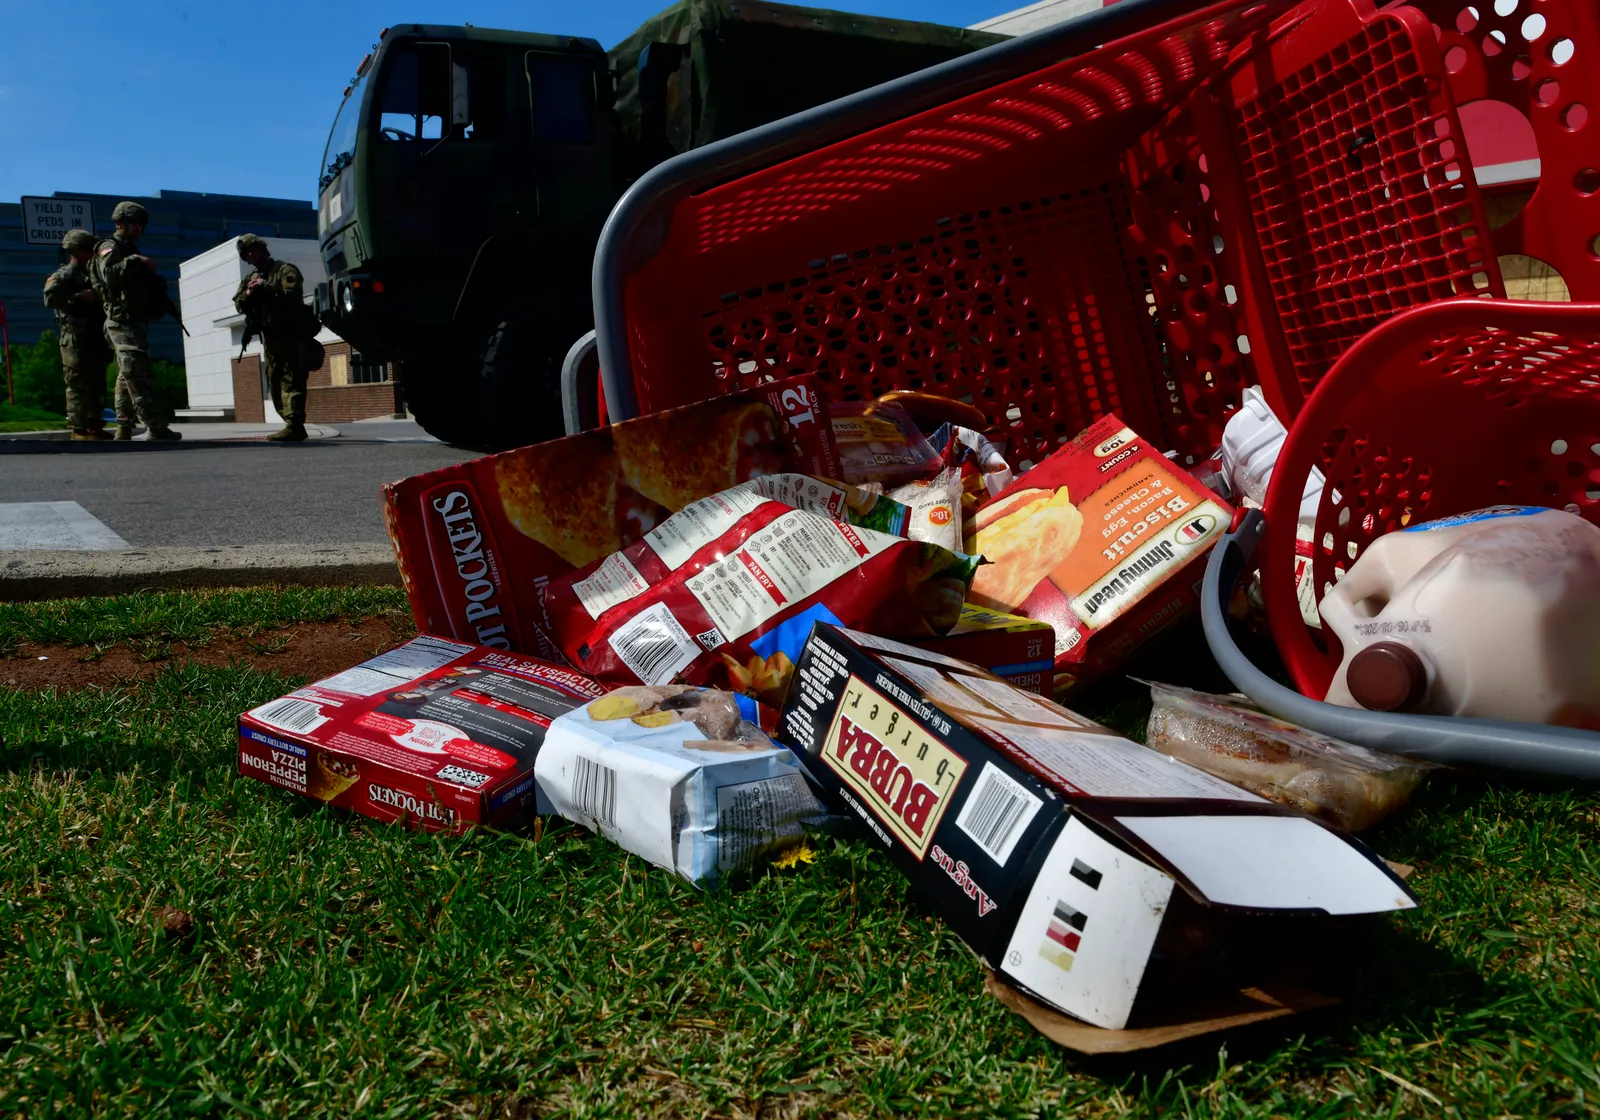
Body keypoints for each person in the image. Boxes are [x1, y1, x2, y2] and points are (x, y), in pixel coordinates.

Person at [90, 201, 182, 441]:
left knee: (126, 375)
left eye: (141, 224)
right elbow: (109, 276)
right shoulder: (109, 246)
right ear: (119, 223)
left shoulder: (129, 249)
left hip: (134, 321)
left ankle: (124, 427)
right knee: (137, 372)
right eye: (133, 222)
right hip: (122, 320)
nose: (138, 228)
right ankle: (155, 426)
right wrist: (137, 262)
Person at [234, 233, 316, 442]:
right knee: (274, 381)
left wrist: (267, 287)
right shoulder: (250, 279)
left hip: (290, 333)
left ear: (262, 248)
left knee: (292, 378)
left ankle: (295, 424)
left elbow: (292, 296)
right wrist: (250, 295)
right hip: (270, 338)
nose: (250, 255)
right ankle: (289, 421)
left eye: (253, 249)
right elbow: (239, 304)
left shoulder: (284, 270)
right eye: (246, 253)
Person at [42, 228, 113, 440]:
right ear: (77, 250)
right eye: (88, 249)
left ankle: (95, 425)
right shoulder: (63, 275)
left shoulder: (93, 274)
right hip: (74, 337)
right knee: (77, 383)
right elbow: (50, 300)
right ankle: (79, 428)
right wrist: (80, 297)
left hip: (95, 336)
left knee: (97, 383)